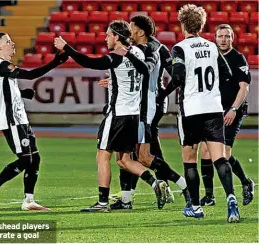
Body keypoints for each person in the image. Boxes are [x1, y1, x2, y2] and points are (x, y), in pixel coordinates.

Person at [54, 20, 167, 212]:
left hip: (117, 115)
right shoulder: (137, 53)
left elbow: (89, 62)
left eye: (108, 35)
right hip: (133, 114)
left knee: (102, 157)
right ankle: (155, 182)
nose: (105, 38)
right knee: (124, 160)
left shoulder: (115, 56)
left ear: (116, 37)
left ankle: (102, 203)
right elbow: (143, 71)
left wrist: (67, 48)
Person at [160, 4, 240, 222]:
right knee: (220, 158)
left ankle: (195, 206)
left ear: (183, 24)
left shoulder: (179, 48)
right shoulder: (213, 47)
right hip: (213, 109)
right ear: (202, 24)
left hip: (191, 110)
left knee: (189, 160)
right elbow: (227, 73)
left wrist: (162, 94)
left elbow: (177, 77)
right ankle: (231, 197)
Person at [107, 15, 191, 210]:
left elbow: (176, 76)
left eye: (131, 28)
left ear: (141, 32)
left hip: (145, 108)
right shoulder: (154, 48)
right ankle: (129, 198)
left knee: (141, 156)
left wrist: (161, 93)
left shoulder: (152, 49)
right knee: (134, 153)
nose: (129, 31)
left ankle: (182, 187)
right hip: (142, 107)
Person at [0, 32, 68, 211]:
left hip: (21, 120)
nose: (12, 43)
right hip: (12, 120)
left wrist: (22, 94)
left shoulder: (3, 68)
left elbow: (5, 90)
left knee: (34, 158)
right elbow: (29, 75)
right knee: (25, 159)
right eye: (8, 42)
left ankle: (29, 200)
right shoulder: (0, 65)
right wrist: (56, 62)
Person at [200, 24, 254, 206]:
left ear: (232, 38)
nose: (223, 39)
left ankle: (246, 182)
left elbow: (244, 87)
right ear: (215, 38)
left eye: (227, 36)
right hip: (213, 111)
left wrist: (233, 109)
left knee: (223, 154)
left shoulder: (238, 59)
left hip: (232, 112)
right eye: (220, 36)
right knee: (205, 152)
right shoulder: (211, 57)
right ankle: (209, 196)